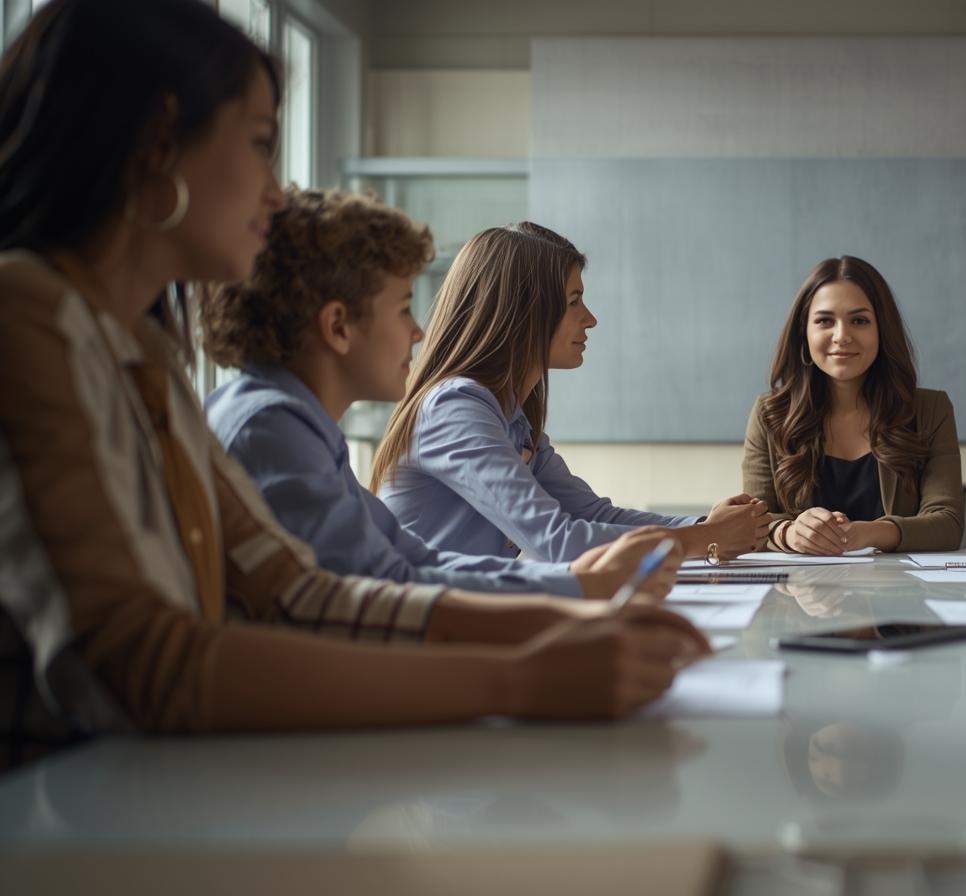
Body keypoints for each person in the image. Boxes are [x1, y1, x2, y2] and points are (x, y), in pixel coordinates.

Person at [0, 0, 706, 770]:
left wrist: (569, 614)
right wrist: (521, 674)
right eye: (260, 144)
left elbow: (300, 590)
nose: (275, 192)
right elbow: (151, 665)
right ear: (159, 142)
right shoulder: (28, 315)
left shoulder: (139, 348)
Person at [202, 187, 674, 600]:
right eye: (403, 309)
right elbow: (379, 592)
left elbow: (412, 565)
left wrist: (576, 584)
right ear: (338, 326)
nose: (418, 331)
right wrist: (576, 588)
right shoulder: (269, 429)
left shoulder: (302, 432)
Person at [373, 222, 770, 565]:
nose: (590, 319)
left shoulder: (512, 419)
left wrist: (706, 526)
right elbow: (556, 542)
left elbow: (593, 515)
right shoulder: (455, 408)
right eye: (574, 302)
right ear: (524, 312)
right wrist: (705, 539)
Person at [742, 256, 962, 554]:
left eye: (859, 321)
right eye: (824, 321)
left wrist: (865, 533)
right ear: (804, 333)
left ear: (882, 330)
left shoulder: (931, 410)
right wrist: (788, 533)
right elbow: (752, 524)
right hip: (801, 584)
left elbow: (947, 523)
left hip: (898, 583)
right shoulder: (769, 414)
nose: (842, 336)